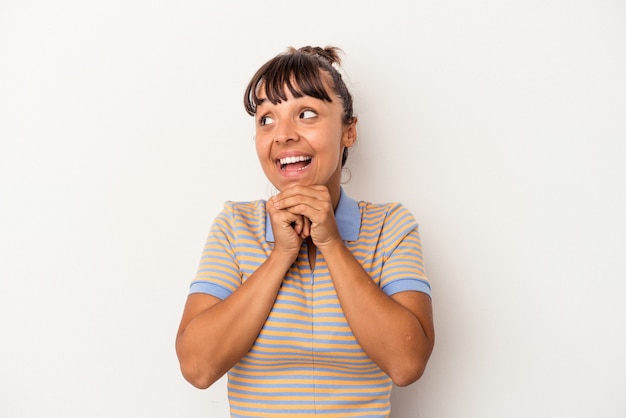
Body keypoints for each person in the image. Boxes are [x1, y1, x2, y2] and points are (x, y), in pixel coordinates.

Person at [176, 46, 434, 417]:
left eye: (307, 113)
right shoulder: (234, 227)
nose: (283, 135)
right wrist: (281, 255)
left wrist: (330, 241)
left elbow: (407, 363)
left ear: (348, 131)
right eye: (267, 119)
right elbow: (198, 368)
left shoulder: (390, 228)